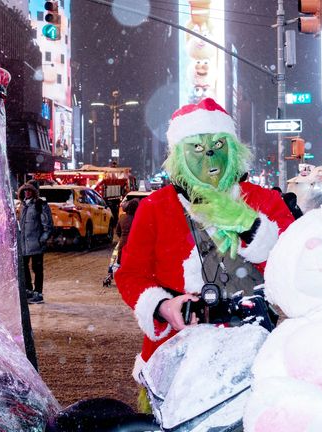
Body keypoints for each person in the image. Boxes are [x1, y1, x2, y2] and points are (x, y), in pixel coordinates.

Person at [114, 98, 294, 406]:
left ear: (234, 149)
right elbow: (131, 274)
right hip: (178, 353)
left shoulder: (264, 202)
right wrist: (163, 307)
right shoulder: (155, 207)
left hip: (256, 349)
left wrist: (251, 228)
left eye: (218, 144)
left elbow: (294, 267)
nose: (208, 153)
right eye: (196, 146)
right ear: (179, 156)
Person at [18, 182, 52, 304]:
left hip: (36, 243)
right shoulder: (22, 205)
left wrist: (42, 239)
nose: (27, 193)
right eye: (25, 190)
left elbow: (47, 225)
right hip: (24, 243)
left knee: (37, 268)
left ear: (34, 192)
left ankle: (38, 292)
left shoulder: (40, 205)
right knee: (24, 267)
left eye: (30, 191)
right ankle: (28, 290)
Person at [115, 198, 140, 264]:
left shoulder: (122, 217)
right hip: (135, 247)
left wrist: (123, 237)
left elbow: (118, 231)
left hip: (123, 244)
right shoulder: (139, 219)